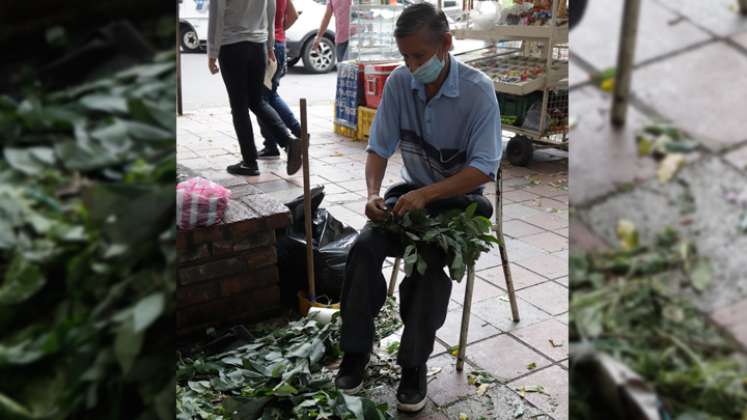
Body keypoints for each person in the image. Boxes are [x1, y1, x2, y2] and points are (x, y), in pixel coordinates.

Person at [334, 3, 501, 413]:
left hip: (461, 202)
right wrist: (373, 193)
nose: (410, 66)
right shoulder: (398, 84)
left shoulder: (478, 92)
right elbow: (378, 148)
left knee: (426, 265)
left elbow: (483, 169)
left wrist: (429, 196)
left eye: (419, 57)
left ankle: (413, 366)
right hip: (411, 195)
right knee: (363, 249)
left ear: (446, 44)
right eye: (405, 56)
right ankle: (356, 351)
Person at [207, 0, 302, 176]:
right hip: (258, 45)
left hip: (232, 45)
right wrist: (270, 45)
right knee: (257, 101)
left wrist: (212, 52)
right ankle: (288, 142)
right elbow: (271, 10)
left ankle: (249, 162)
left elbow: (216, 15)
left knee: (239, 107)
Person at [257, 0, 303, 159]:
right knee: (270, 95)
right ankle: (297, 133)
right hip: (280, 44)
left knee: (261, 99)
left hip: (267, 46)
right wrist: (280, 31)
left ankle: (273, 144)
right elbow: (294, 15)